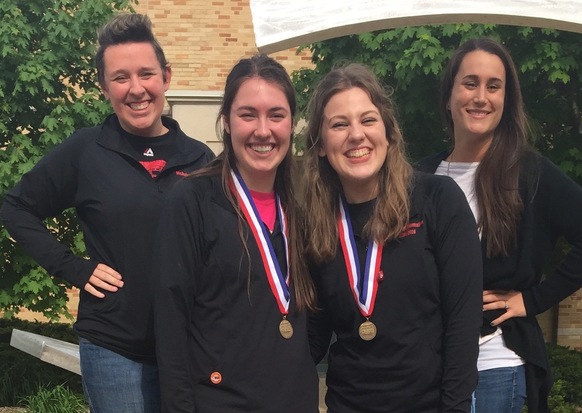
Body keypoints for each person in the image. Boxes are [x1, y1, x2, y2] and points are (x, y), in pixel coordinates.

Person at [0, 13, 215, 412]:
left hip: (187, 347)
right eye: (121, 78)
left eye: (146, 74)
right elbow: (15, 207)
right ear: (103, 87)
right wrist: (73, 268)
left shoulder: (200, 158)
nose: (137, 89)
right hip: (115, 348)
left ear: (166, 77)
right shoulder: (87, 151)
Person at [417, 37, 582, 413]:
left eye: (494, 86)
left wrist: (532, 299)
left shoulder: (528, 173)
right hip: (425, 367)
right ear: (448, 95)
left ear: (506, 101)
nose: (481, 96)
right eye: (470, 83)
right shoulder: (420, 176)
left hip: (493, 367)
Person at [303, 63, 483, 413]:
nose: (356, 135)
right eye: (340, 124)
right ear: (322, 145)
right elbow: (314, 334)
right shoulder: (318, 221)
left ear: (388, 132)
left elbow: (463, 324)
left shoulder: (437, 200)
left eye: (368, 120)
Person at [153, 54, 318, 412]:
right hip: (219, 401)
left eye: (276, 115)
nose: (263, 130)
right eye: (248, 114)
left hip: (294, 400)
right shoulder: (192, 200)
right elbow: (170, 323)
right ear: (226, 121)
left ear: (292, 123)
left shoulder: (306, 201)